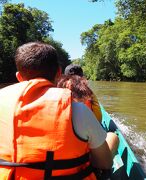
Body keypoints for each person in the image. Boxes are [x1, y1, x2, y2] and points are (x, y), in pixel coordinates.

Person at [0, 42, 117, 179]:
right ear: (58, 73)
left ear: (19, 77)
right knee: (113, 136)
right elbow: (104, 163)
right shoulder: (77, 109)